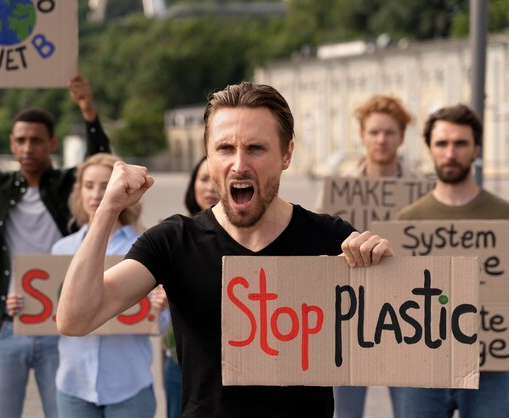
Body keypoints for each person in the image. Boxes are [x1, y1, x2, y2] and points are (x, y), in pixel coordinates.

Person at [55, 81, 394, 418]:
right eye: (225, 149)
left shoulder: (330, 239)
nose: (239, 165)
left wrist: (384, 265)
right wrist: (106, 211)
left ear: (287, 154)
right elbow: (75, 318)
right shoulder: (174, 242)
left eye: (256, 149)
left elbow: (402, 333)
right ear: (208, 153)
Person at [0, 73, 111, 418]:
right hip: (6, 325)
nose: (28, 148)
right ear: (12, 145)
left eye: (37, 141)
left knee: (63, 411)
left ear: (52, 143)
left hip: (58, 325)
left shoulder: (65, 186)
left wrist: (88, 111)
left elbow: (100, 165)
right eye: (21, 140)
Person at [394, 104, 509, 418]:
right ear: (430, 150)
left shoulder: (507, 215)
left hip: (489, 369)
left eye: (460, 143)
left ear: (476, 149)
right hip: (423, 371)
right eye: (442, 144)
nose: (451, 153)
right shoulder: (408, 221)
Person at [43, 153, 168, 418]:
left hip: (128, 386)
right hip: (73, 386)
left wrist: (162, 308)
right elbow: (49, 317)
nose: (97, 194)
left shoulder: (144, 249)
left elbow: (161, 327)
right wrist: (23, 307)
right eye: (89, 186)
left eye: (105, 185)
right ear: (79, 192)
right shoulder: (62, 249)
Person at [333, 94, 416, 418]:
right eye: (374, 132)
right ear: (362, 136)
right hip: (349, 315)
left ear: (401, 137)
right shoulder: (339, 191)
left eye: (389, 133)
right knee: (344, 412)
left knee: (411, 409)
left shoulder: (422, 190)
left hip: (406, 317)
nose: (381, 140)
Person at [162, 155, 218, 418]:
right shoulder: (172, 237)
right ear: (192, 184)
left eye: (215, 180)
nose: (210, 187)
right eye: (204, 179)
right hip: (178, 359)